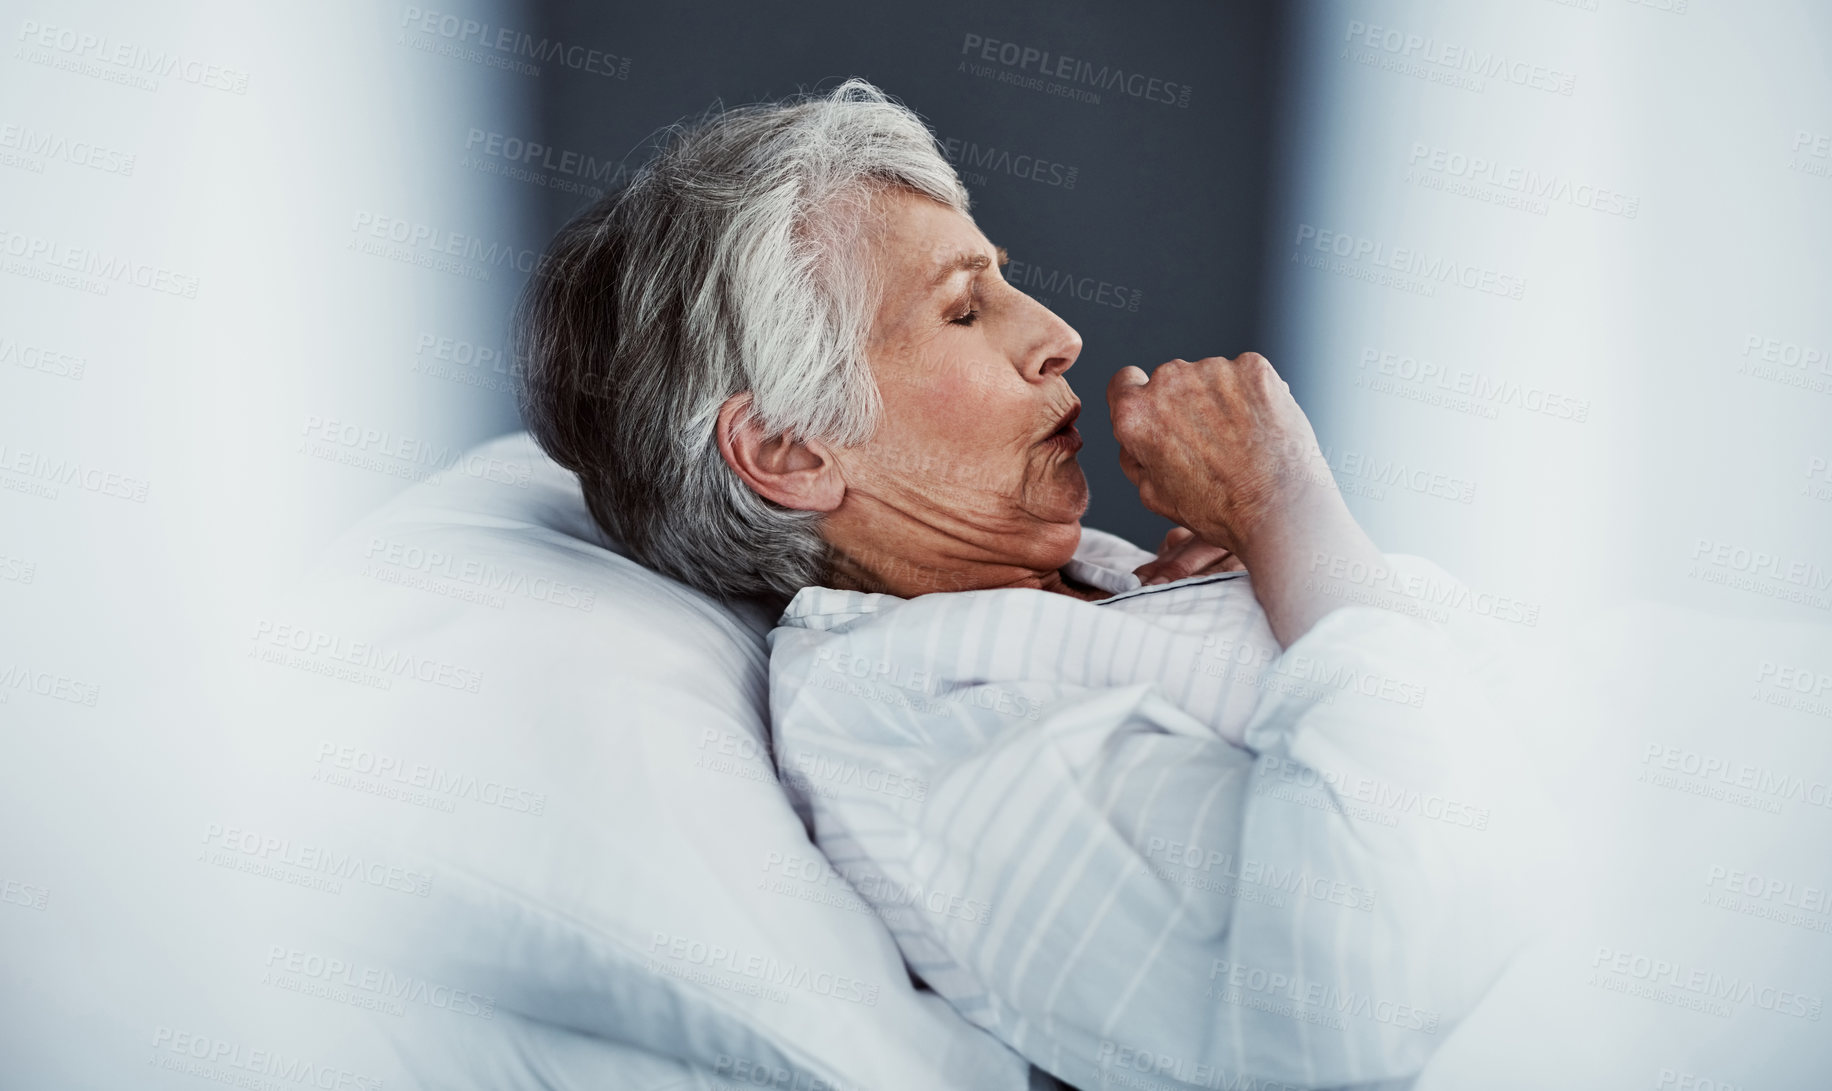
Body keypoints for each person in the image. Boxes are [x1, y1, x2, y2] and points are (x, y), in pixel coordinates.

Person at [518, 77, 1532, 1089]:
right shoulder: (911, 736)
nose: (1057, 333)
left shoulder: (1080, 580)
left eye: (1002, 281)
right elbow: (1348, 1029)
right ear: (788, 451)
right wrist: (1289, 516)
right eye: (964, 308)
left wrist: (1265, 586)